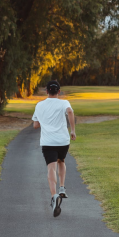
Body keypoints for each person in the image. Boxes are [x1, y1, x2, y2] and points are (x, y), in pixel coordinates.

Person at [32, 81, 76, 217]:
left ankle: (54, 196)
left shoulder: (39, 105)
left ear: (46, 91)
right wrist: (73, 130)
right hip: (63, 141)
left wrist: (44, 122)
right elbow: (69, 111)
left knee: (51, 167)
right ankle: (62, 187)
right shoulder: (64, 103)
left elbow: (35, 125)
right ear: (59, 91)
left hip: (48, 141)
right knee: (61, 161)